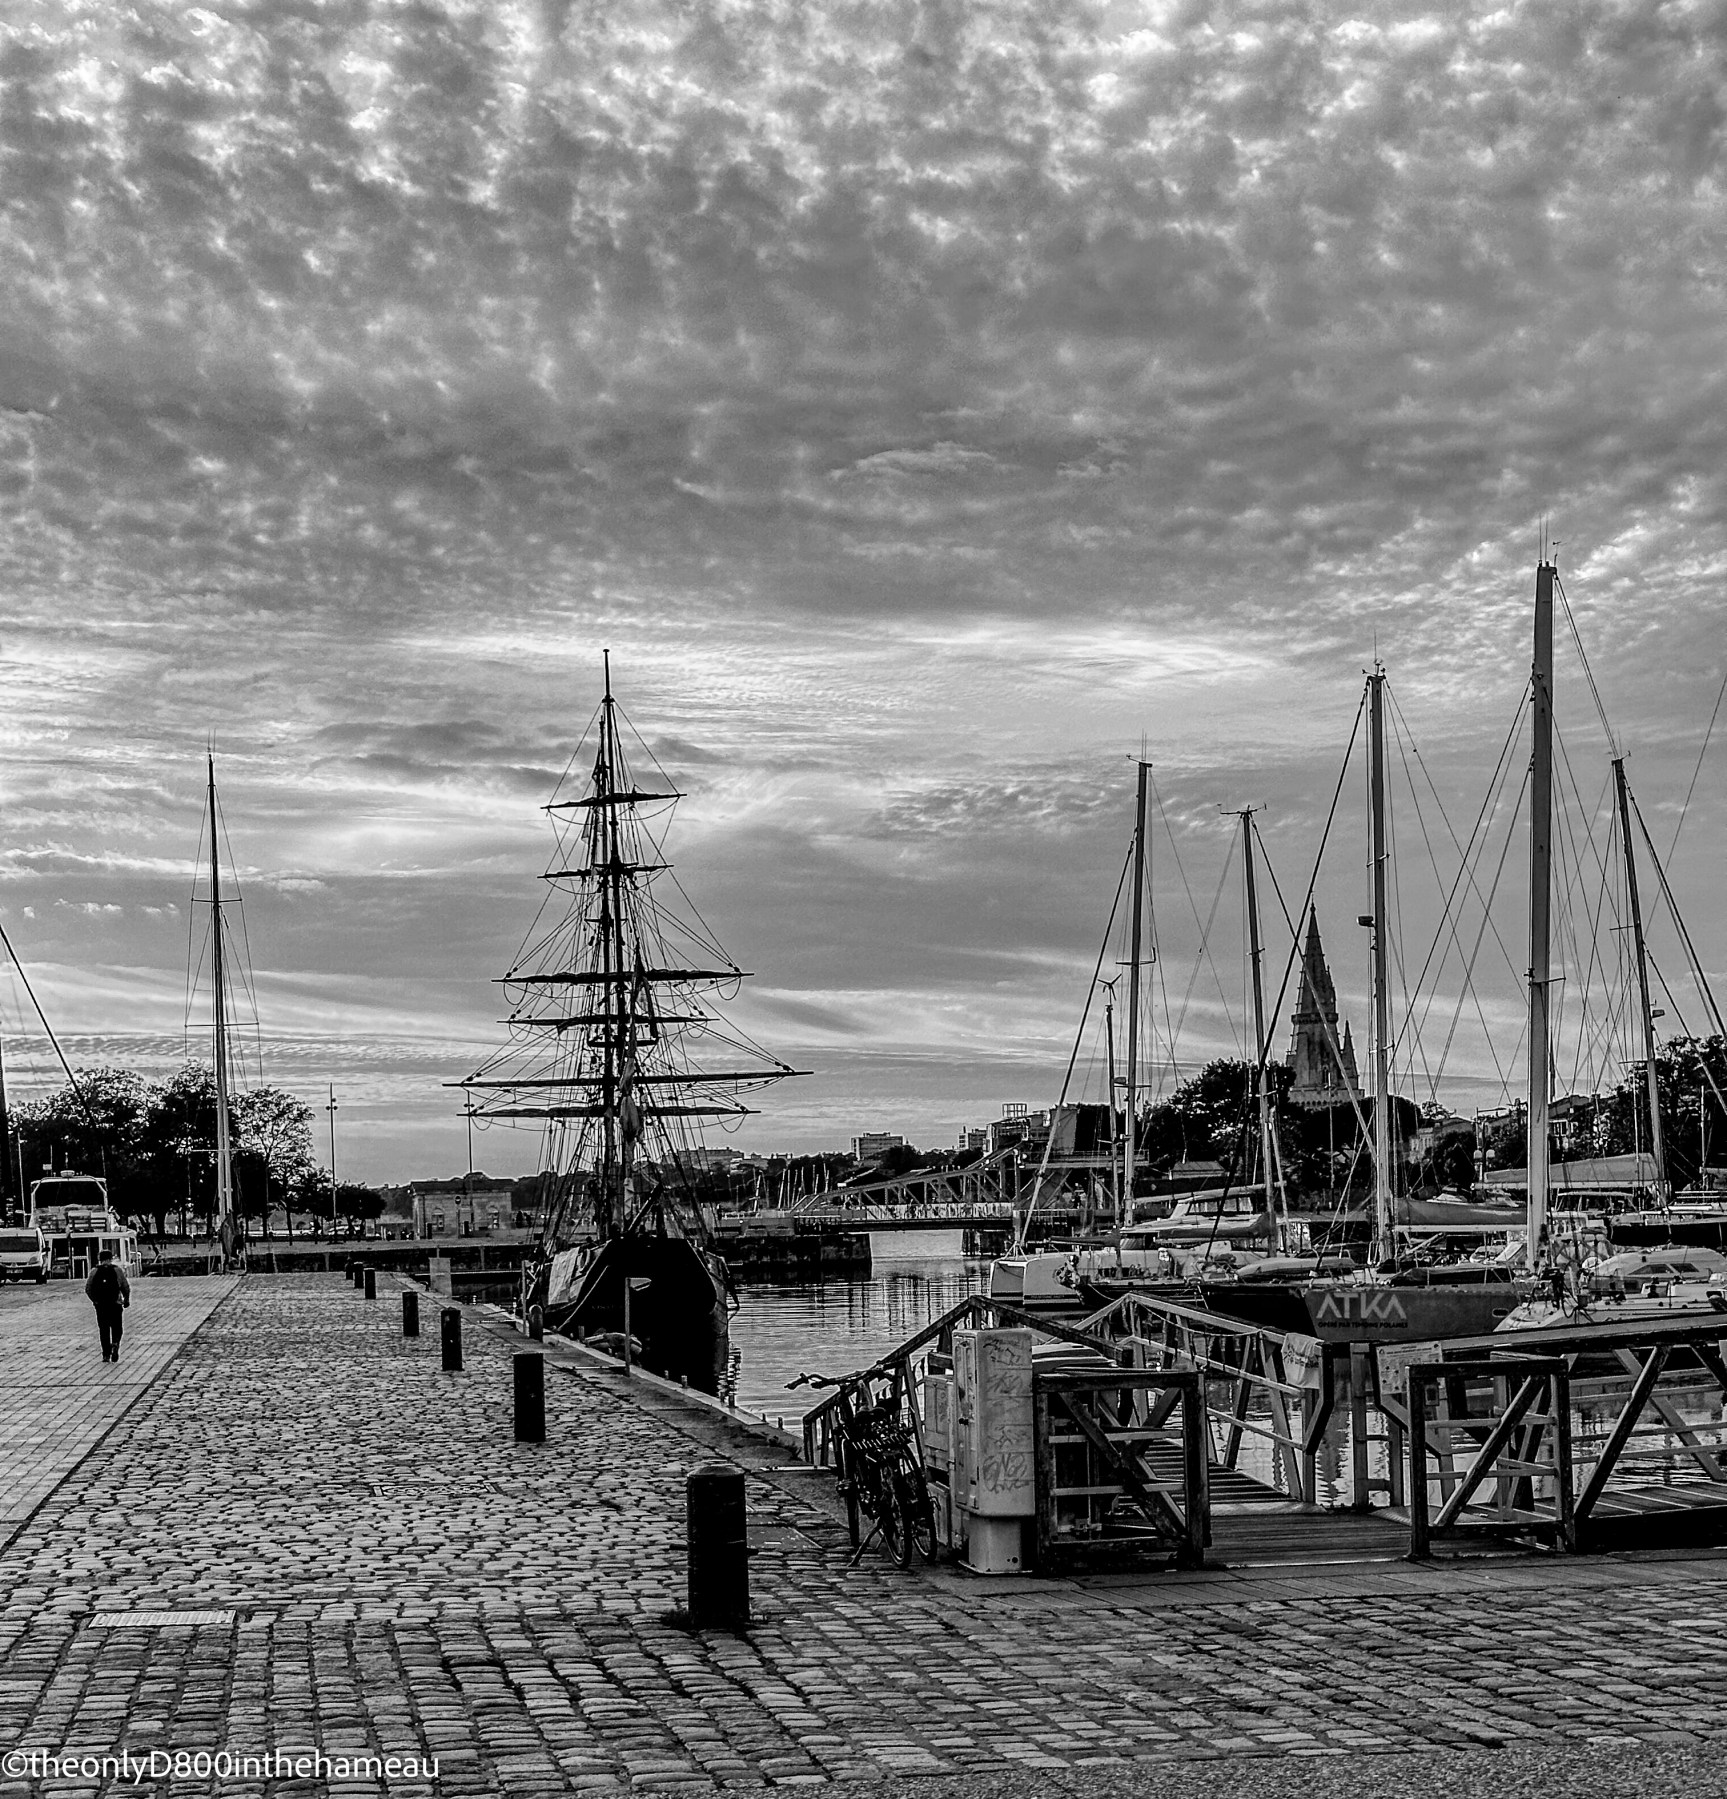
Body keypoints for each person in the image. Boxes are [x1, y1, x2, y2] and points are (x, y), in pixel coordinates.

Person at [85, 1248, 131, 1363]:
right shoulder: (117, 1270)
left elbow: (88, 1288)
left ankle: (106, 1354)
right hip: (115, 1304)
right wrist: (126, 1299)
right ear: (111, 1259)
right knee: (117, 1327)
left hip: (101, 1305)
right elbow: (125, 1286)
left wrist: (95, 1300)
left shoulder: (94, 1271)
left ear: (99, 1259)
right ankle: (115, 1343)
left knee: (104, 1329)